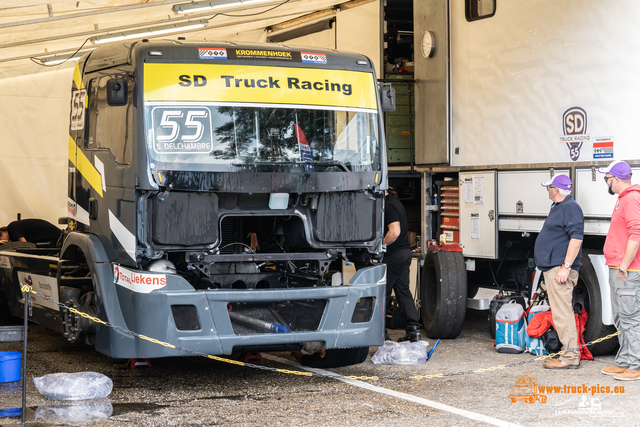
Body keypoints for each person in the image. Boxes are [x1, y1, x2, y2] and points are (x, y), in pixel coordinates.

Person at [534, 174, 584, 369]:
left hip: (560, 269)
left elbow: (576, 238)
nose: (547, 190)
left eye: (548, 187)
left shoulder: (570, 207)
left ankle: (570, 358)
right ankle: (569, 355)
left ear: (555, 190)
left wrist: (565, 267)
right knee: (560, 313)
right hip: (554, 268)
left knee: (562, 314)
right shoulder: (560, 207)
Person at [598, 160, 640, 381]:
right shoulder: (623, 198)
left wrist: (624, 265)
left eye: (607, 178)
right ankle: (624, 362)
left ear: (615, 179)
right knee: (621, 318)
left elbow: (636, 234)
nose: (606, 181)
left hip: (627, 271)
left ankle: (636, 364)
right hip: (618, 268)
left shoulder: (632, 198)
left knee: (631, 318)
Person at [383, 189, 421, 342]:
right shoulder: (396, 203)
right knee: (403, 292)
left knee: (382, 293)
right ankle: (413, 331)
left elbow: (395, 231)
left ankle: (380, 333)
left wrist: (381, 245)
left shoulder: (388, 205)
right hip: (404, 253)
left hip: (393, 255)